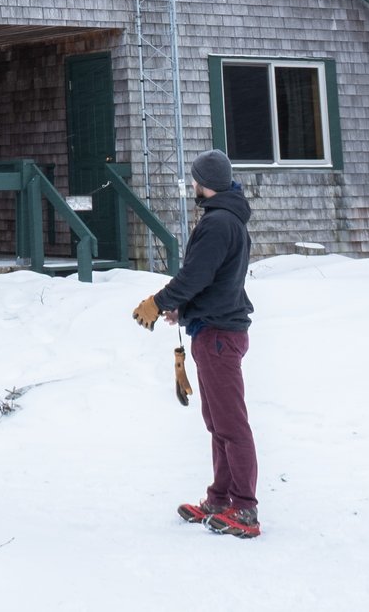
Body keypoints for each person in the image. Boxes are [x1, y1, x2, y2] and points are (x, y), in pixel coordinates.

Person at [132, 149, 258, 538]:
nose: (192, 186)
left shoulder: (218, 222)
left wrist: (160, 302)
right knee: (217, 422)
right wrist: (184, 310)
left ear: (204, 183)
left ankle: (245, 510)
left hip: (219, 335)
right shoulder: (226, 218)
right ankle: (220, 498)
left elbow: (196, 275)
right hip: (213, 329)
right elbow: (213, 279)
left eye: (194, 180)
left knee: (231, 425)